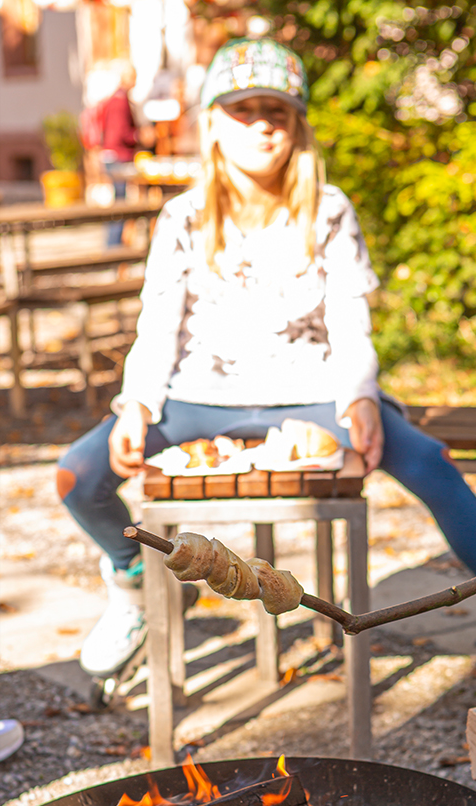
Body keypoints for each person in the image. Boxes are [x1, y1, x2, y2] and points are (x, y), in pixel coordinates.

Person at [59, 37, 476, 682]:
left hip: (310, 388)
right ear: (214, 124)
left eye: (275, 112)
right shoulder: (183, 218)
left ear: (296, 125)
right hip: (199, 395)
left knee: (430, 461)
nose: (260, 124)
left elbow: (349, 321)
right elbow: (159, 322)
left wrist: (360, 397)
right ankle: (132, 580)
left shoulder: (329, 210)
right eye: (242, 109)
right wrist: (137, 405)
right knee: (77, 475)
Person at [97, 59, 140, 247]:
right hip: (118, 157)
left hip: (111, 155)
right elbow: (120, 132)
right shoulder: (120, 101)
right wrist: (140, 136)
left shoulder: (115, 98)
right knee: (120, 205)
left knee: (119, 202)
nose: (136, 82)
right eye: (134, 78)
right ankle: (114, 247)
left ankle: (115, 245)